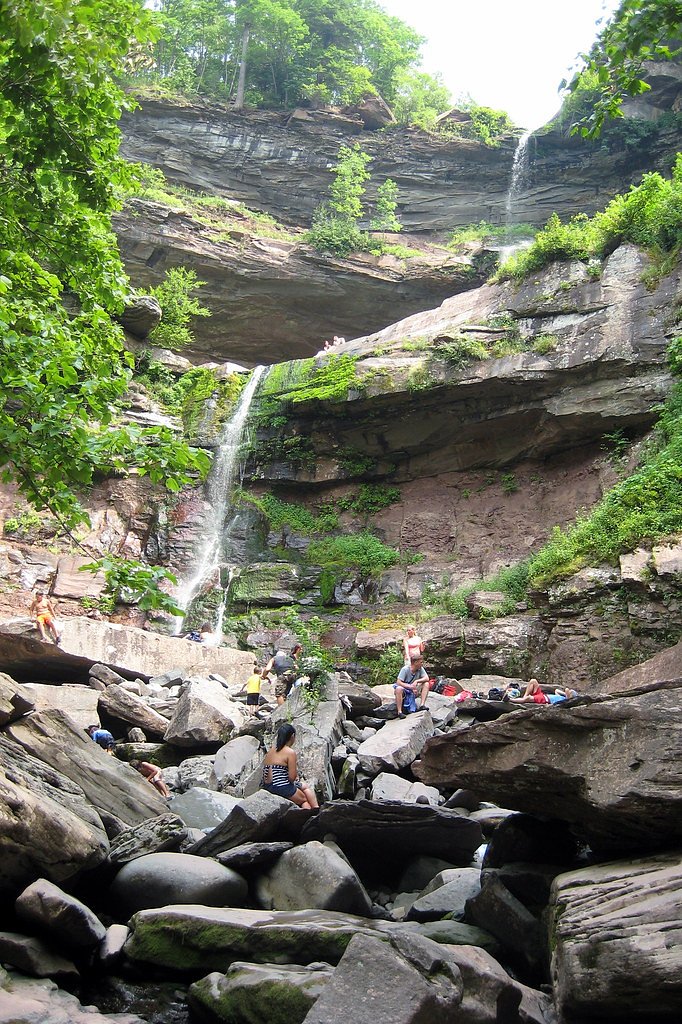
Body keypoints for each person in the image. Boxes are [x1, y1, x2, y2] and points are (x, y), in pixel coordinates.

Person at [260, 723, 318, 808]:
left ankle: (315, 809)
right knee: (303, 800)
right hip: (281, 787)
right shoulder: (290, 752)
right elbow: (292, 777)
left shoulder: (271, 750)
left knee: (303, 787)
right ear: (292, 736)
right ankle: (315, 811)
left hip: (268, 786)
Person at [394, 654, 430, 718]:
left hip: (414, 689)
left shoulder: (420, 669)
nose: (422, 664)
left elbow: (427, 678)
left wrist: (417, 681)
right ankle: (399, 712)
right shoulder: (405, 669)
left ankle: (422, 705)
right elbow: (398, 682)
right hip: (405, 690)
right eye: (421, 662)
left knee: (426, 683)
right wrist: (409, 687)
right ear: (415, 662)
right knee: (398, 689)